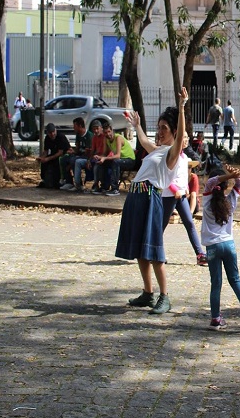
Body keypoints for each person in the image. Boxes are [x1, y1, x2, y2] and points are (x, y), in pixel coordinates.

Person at [115, 88, 188, 316]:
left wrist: (182, 107)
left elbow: (181, 132)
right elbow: (144, 140)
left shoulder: (172, 154)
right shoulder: (157, 150)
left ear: (174, 132)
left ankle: (164, 297)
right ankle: (148, 293)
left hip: (150, 198)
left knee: (153, 250)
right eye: (158, 127)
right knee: (140, 249)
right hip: (136, 197)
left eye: (164, 128)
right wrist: (137, 125)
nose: (159, 131)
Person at [200, 165, 240, 330]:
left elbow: (211, 182)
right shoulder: (230, 201)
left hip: (213, 247)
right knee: (235, 279)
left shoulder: (207, 200)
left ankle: (216, 319)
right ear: (226, 186)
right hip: (229, 245)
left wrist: (228, 175)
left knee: (216, 283)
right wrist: (235, 175)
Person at [161, 134, 207, 266]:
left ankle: (200, 254)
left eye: (187, 137)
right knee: (161, 226)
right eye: (183, 137)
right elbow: (166, 177)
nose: (185, 140)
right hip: (169, 196)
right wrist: (175, 190)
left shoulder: (185, 157)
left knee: (189, 223)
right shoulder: (171, 155)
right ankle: (156, 253)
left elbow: (182, 176)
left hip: (181, 196)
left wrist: (185, 187)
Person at [93, 122, 136, 196]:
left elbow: (118, 155)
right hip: (119, 160)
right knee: (102, 163)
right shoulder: (106, 139)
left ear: (112, 131)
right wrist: (100, 157)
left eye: (109, 132)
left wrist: (105, 158)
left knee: (115, 162)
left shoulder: (118, 138)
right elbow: (105, 154)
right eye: (105, 133)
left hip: (129, 160)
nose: (108, 134)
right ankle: (104, 186)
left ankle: (115, 188)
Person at [60, 117, 93, 191]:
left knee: (73, 161)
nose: (73, 128)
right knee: (63, 159)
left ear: (80, 126)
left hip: (86, 157)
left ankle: (79, 184)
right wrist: (72, 151)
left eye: (75, 126)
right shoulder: (78, 134)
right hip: (79, 155)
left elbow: (89, 152)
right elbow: (77, 148)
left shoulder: (89, 136)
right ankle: (68, 181)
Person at [35, 123, 71, 188]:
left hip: (63, 154)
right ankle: (44, 179)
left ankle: (60, 180)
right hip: (54, 154)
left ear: (55, 131)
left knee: (58, 161)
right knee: (44, 163)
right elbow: (46, 151)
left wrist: (48, 159)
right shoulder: (47, 138)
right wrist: (42, 158)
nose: (52, 134)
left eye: (53, 132)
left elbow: (60, 152)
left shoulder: (60, 137)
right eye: (50, 133)